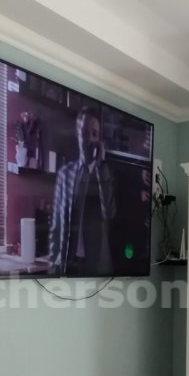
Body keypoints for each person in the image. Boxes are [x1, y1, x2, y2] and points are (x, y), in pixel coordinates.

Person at [48, 107, 116, 275]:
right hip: (68, 265)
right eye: (85, 132)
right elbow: (56, 225)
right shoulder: (65, 174)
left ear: (99, 139)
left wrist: (101, 165)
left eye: (94, 133)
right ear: (78, 134)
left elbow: (110, 212)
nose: (89, 138)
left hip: (97, 268)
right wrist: (53, 263)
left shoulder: (106, 174)